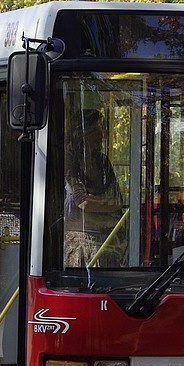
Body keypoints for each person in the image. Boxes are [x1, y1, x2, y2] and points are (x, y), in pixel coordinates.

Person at [64, 109, 125, 267]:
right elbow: (82, 202)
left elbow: (118, 201)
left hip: (107, 241)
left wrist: (94, 204)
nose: (101, 136)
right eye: (96, 131)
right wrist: (105, 204)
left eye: (101, 131)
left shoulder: (102, 161)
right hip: (78, 244)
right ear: (82, 134)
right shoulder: (69, 159)